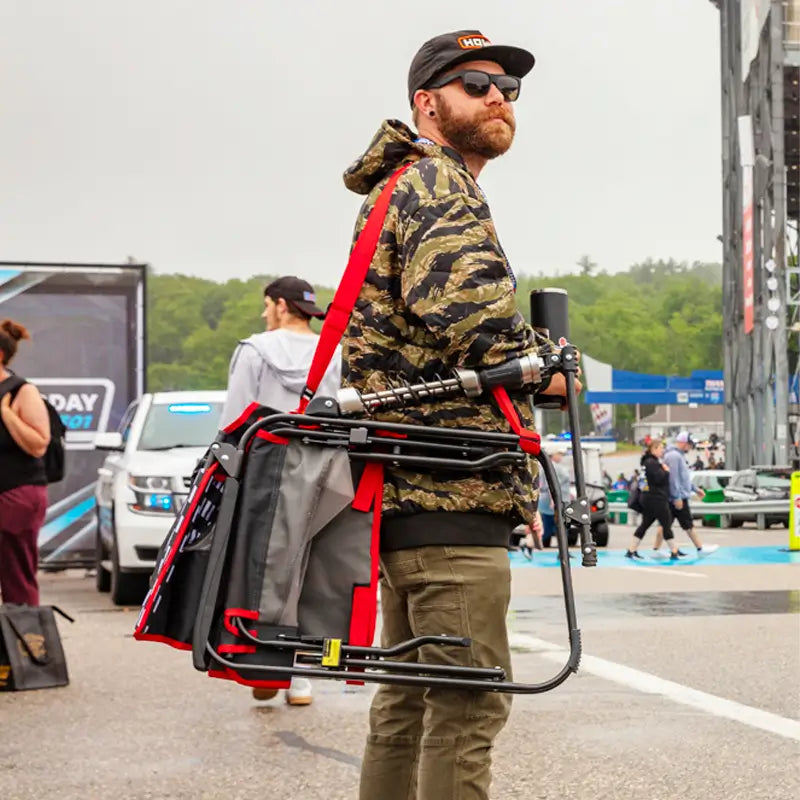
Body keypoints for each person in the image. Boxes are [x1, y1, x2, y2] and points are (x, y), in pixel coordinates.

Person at [342, 30, 579, 800]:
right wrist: (549, 364)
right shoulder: (436, 183)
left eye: (509, 88)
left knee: (408, 704)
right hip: (451, 490)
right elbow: (474, 319)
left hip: (413, 494)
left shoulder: (404, 184)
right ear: (428, 102)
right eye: (477, 83)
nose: (498, 97)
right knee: (468, 705)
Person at [220, 276, 342, 707]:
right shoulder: (335, 354)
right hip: (327, 470)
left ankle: (263, 657)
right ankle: (301, 673)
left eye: (266, 305)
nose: (263, 314)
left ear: (279, 306)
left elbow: (236, 417)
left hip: (266, 471)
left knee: (263, 567)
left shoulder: (254, 350)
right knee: (312, 568)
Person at [0, 320, 51, 606]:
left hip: (17, 493)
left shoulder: (21, 391)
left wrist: (7, 415)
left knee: (15, 575)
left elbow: (38, 443)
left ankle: (25, 643)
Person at [653, 432, 719, 556]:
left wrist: (694, 489)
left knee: (666, 524)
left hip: (676, 495)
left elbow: (683, 478)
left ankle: (657, 550)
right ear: (683, 443)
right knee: (685, 523)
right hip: (676, 497)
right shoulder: (674, 456)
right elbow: (673, 478)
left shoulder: (678, 456)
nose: (691, 447)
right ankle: (700, 548)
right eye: (689, 444)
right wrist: (677, 497)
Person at [625, 440, 687, 561]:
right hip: (656, 498)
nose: (662, 451)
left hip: (648, 497)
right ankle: (674, 550)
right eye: (660, 448)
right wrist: (666, 471)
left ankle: (631, 549)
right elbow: (658, 478)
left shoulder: (646, 462)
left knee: (645, 524)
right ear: (654, 449)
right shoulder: (651, 463)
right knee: (666, 523)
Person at [536, 445, 571, 549]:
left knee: (547, 529)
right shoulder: (554, 467)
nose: (561, 456)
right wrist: (554, 501)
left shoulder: (546, 466)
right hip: (555, 504)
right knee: (559, 528)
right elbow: (554, 486)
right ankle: (562, 551)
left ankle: (545, 548)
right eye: (559, 454)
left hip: (548, 504)